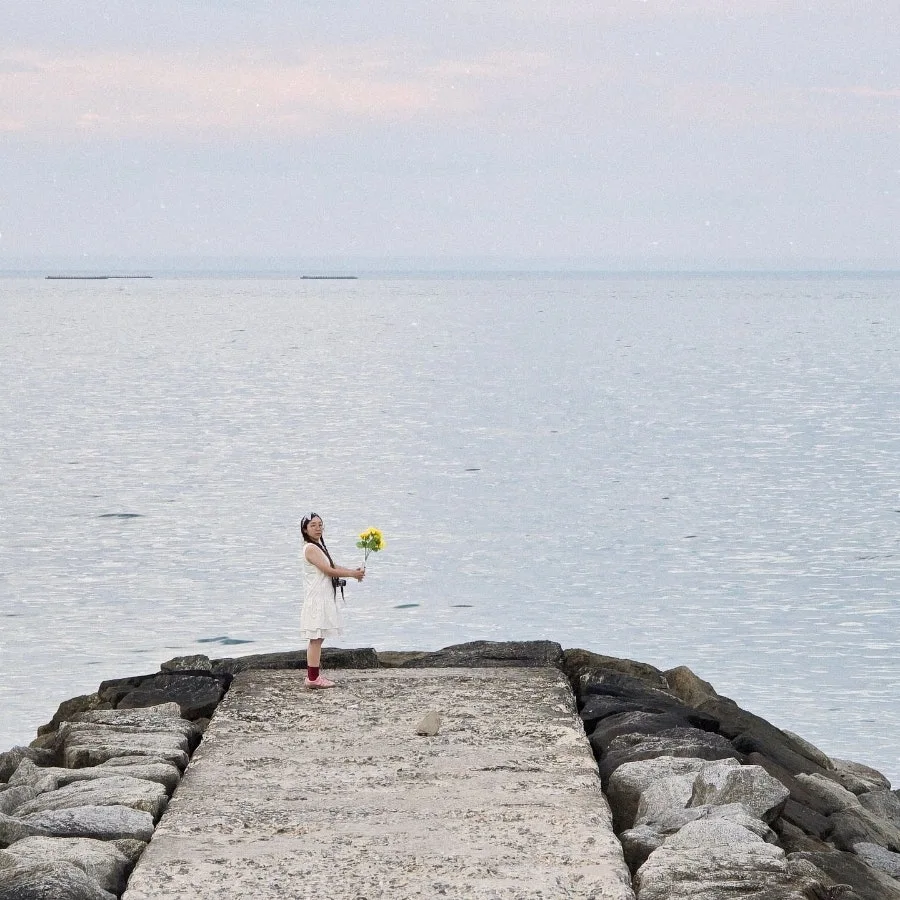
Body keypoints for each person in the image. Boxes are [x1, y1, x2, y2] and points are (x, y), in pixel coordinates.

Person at [299, 513, 365, 688]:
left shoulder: (317, 546)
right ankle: (313, 678)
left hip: (322, 597)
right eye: (313, 525)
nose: (318, 528)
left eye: (320, 525)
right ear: (305, 529)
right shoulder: (310, 548)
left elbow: (332, 565)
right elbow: (328, 570)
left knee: (318, 638)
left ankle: (313, 677)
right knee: (316, 638)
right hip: (317, 599)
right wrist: (352, 574)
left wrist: (352, 571)